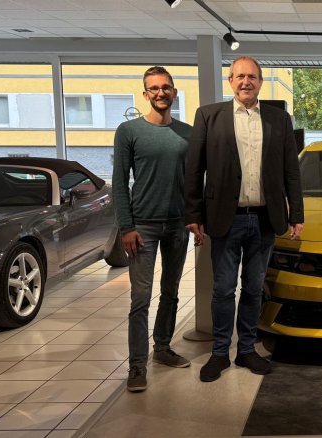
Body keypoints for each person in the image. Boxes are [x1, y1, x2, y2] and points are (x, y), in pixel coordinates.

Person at [184, 56, 304, 382]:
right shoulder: (209, 116)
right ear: (230, 81)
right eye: (239, 76)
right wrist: (193, 213)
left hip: (265, 218)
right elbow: (194, 169)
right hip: (226, 218)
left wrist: (297, 214)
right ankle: (220, 353)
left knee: (253, 288)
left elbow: (291, 171)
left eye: (251, 76)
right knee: (223, 289)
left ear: (261, 82)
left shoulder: (279, 120)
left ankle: (247, 350)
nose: (245, 82)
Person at [112, 66, 193, 393]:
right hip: (142, 226)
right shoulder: (129, 131)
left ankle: (162, 348)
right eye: (154, 88)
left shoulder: (188, 133)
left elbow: (192, 183)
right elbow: (119, 182)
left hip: (177, 224)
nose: (161, 93)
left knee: (172, 291)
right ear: (146, 94)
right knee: (141, 297)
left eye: (166, 87)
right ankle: (136, 365)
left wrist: (194, 218)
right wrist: (126, 227)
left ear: (174, 92)